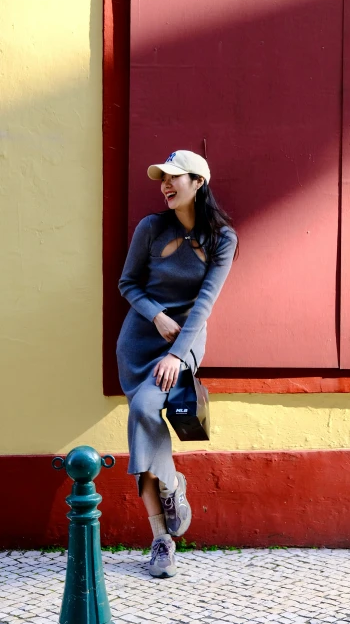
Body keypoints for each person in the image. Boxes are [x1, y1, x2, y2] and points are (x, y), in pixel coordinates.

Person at [116, 149, 238, 578]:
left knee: (146, 409)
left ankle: (169, 493)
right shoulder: (151, 228)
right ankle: (161, 537)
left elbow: (204, 304)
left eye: (174, 177)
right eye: (162, 178)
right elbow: (127, 283)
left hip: (184, 341)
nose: (165, 184)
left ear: (198, 182)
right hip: (138, 340)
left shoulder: (224, 239)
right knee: (142, 422)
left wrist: (175, 353)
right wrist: (155, 314)